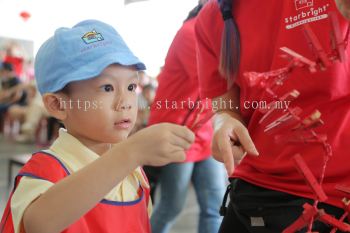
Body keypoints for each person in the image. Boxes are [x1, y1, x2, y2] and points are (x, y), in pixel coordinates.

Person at [0, 19, 195, 233]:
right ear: (57, 104)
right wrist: (131, 152)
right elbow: (39, 224)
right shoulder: (45, 170)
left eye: (131, 86)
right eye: (107, 88)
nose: (126, 101)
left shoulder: (134, 172)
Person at [195, 0, 350, 232]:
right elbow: (225, 102)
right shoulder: (213, 16)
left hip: (333, 200)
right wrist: (225, 120)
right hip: (253, 192)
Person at [148, 1, 226, 233]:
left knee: (215, 206)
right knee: (171, 206)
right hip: (177, 129)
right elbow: (213, 80)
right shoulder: (191, 32)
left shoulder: (210, 35)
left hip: (202, 131)